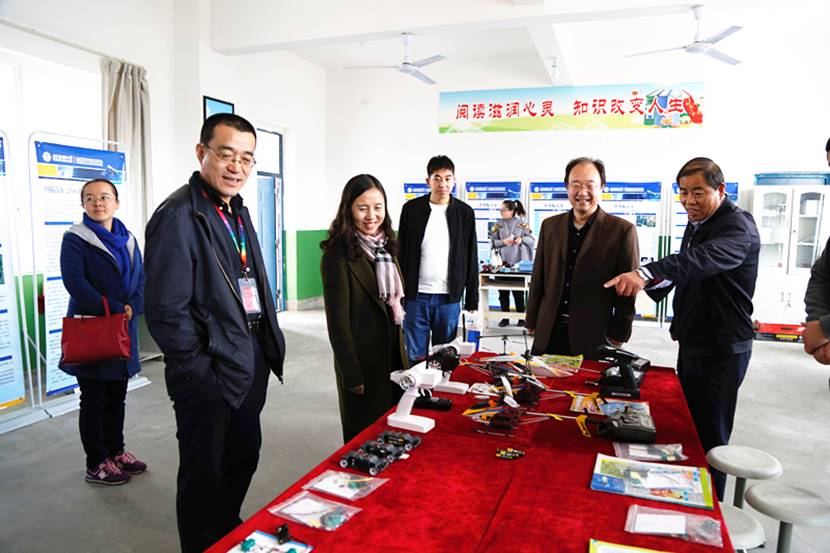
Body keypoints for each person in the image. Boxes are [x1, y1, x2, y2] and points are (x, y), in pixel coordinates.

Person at [144, 113, 286, 553]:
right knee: (204, 471)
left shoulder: (235, 209)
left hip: (248, 354)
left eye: (246, 158)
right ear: (201, 152)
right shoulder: (178, 215)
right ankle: (202, 543)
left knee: (243, 455)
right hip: (207, 368)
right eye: (226, 155)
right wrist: (196, 369)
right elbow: (165, 309)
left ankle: (224, 530)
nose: (236, 167)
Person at [605, 157, 760, 500]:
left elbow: (700, 260)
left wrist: (645, 273)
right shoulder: (699, 223)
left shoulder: (737, 227)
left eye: (698, 192)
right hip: (692, 339)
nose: (689, 201)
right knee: (687, 426)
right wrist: (649, 282)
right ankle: (686, 493)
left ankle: (712, 504)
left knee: (711, 436)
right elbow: (685, 270)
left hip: (722, 348)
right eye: (683, 192)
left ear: (720, 189)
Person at [59, 178, 146, 486]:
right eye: (91, 198)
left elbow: (141, 279)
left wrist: (134, 306)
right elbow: (75, 282)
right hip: (94, 329)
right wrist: (114, 308)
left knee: (117, 396)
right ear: (83, 204)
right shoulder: (76, 238)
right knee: (94, 398)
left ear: (116, 203)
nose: (98, 203)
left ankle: (116, 452)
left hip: (123, 328)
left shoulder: (128, 239)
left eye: (105, 197)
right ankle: (96, 462)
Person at [320, 174, 409, 443]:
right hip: (363, 363)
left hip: (394, 356)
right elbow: (338, 323)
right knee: (363, 439)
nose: (371, 216)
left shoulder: (387, 247)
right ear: (348, 209)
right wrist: (351, 373)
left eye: (378, 207)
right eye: (362, 208)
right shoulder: (337, 256)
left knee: (395, 433)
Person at [525, 157, 639, 358]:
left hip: (593, 334)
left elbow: (627, 291)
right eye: (576, 184)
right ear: (567, 187)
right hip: (548, 330)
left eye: (589, 185)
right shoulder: (550, 226)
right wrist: (532, 319)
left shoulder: (621, 231)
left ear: (602, 187)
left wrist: (619, 333)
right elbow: (539, 277)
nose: (582, 192)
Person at [397, 155, 478, 365]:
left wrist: (472, 299)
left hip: (448, 299)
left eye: (447, 178)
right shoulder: (411, 210)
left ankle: (441, 386)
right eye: (437, 178)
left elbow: (471, 256)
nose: (443, 184)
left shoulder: (464, 213)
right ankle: (416, 386)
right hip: (415, 297)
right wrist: (398, 294)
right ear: (428, 181)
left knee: (445, 358)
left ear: (454, 180)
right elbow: (401, 253)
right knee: (415, 357)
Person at [490, 199, 535, 327]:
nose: (501, 212)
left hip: (517, 265)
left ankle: (521, 318)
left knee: (518, 293)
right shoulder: (497, 225)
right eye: (500, 210)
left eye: (504, 210)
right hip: (501, 265)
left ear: (512, 211)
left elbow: (532, 240)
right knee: (503, 293)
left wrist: (522, 239)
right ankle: (505, 318)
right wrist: (502, 242)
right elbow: (492, 242)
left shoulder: (522, 224)